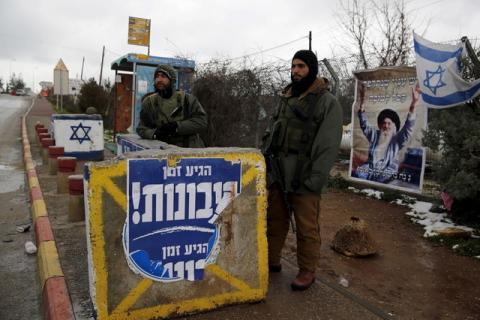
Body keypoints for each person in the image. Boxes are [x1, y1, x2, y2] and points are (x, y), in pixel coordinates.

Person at [261, 50, 343, 291]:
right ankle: (271, 261)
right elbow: (272, 132)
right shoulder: (286, 98)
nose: (295, 71)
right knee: (274, 220)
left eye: (301, 67)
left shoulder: (327, 102)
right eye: (293, 66)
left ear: (312, 69)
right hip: (279, 172)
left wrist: (314, 180)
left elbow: (327, 146)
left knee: (307, 227)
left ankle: (307, 270)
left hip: (305, 175)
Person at [354, 83, 419, 183]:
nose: (386, 126)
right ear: (380, 125)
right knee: (358, 174)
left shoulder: (397, 140)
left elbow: (408, 128)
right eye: (384, 123)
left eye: (389, 123)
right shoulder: (375, 135)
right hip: (371, 168)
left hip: (388, 170)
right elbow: (364, 124)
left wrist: (413, 104)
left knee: (384, 180)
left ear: (394, 126)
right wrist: (362, 102)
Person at [136, 64, 208, 147]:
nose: (159, 80)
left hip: (189, 151)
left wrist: (177, 127)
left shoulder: (187, 99)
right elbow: (141, 128)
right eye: (157, 76)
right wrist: (154, 134)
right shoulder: (149, 102)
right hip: (163, 150)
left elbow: (202, 122)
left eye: (163, 76)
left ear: (172, 80)